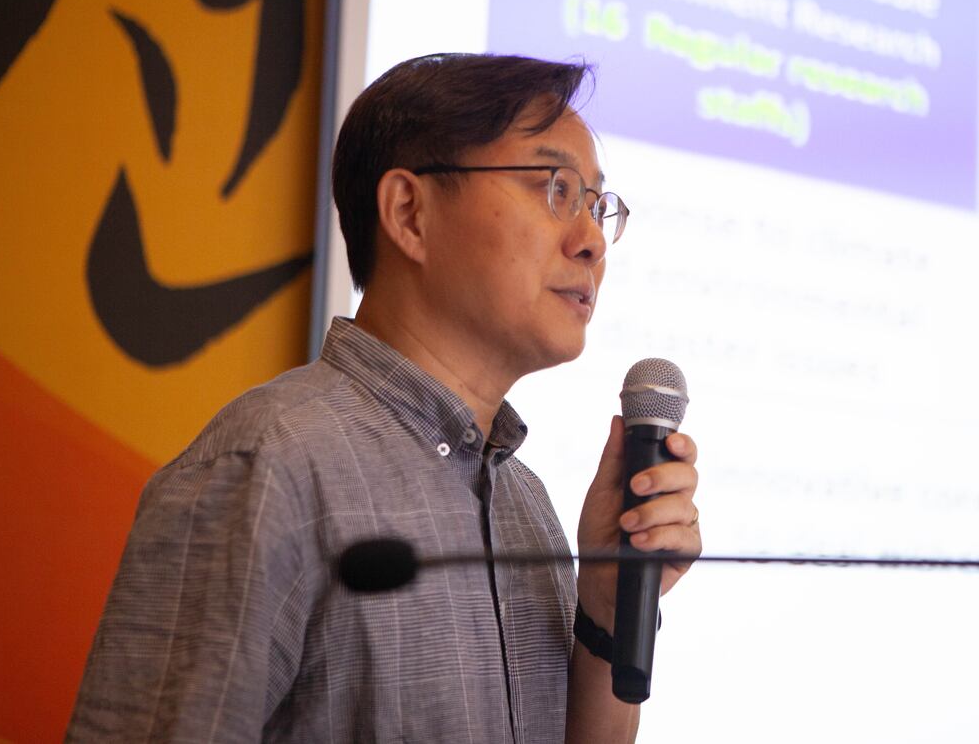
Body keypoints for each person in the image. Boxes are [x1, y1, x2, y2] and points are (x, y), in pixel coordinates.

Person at [66, 53, 702, 742]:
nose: (592, 241)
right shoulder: (269, 466)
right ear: (409, 213)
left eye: (596, 204)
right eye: (555, 188)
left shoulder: (527, 507)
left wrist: (604, 609)